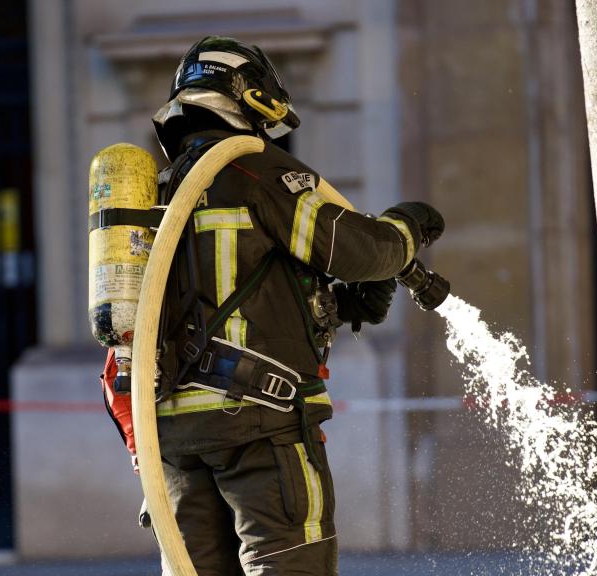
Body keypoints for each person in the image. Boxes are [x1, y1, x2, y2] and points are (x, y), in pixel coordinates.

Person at [100, 36, 444, 576]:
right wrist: (408, 225)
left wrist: (338, 304)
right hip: (258, 428)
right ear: (250, 97)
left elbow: (221, 292)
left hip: (175, 446)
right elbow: (358, 249)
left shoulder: (155, 197)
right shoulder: (258, 174)